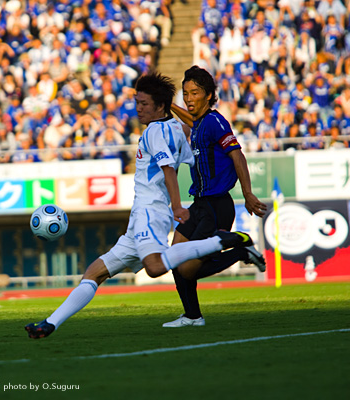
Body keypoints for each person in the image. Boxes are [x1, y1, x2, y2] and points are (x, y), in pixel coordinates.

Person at [25, 72, 255, 339]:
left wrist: (177, 206)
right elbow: (192, 147)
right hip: (139, 218)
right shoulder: (178, 129)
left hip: (150, 211)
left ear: (160, 106)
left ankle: (223, 241)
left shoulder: (154, 131)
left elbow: (168, 169)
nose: (138, 109)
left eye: (144, 103)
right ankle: (50, 323)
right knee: (94, 273)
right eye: (137, 102)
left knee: (155, 268)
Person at [166, 66, 267, 328]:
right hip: (199, 204)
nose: (188, 98)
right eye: (185, 93)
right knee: (174, 257)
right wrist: (170, 106)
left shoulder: (214, 121)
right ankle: (192, 316)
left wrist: (247, 193)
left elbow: (237, 155)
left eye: (194, 93)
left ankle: (239, 250)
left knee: (187, 268)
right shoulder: (200, 122)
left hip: (216, 205)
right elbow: (192, 121)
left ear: (209, 95)